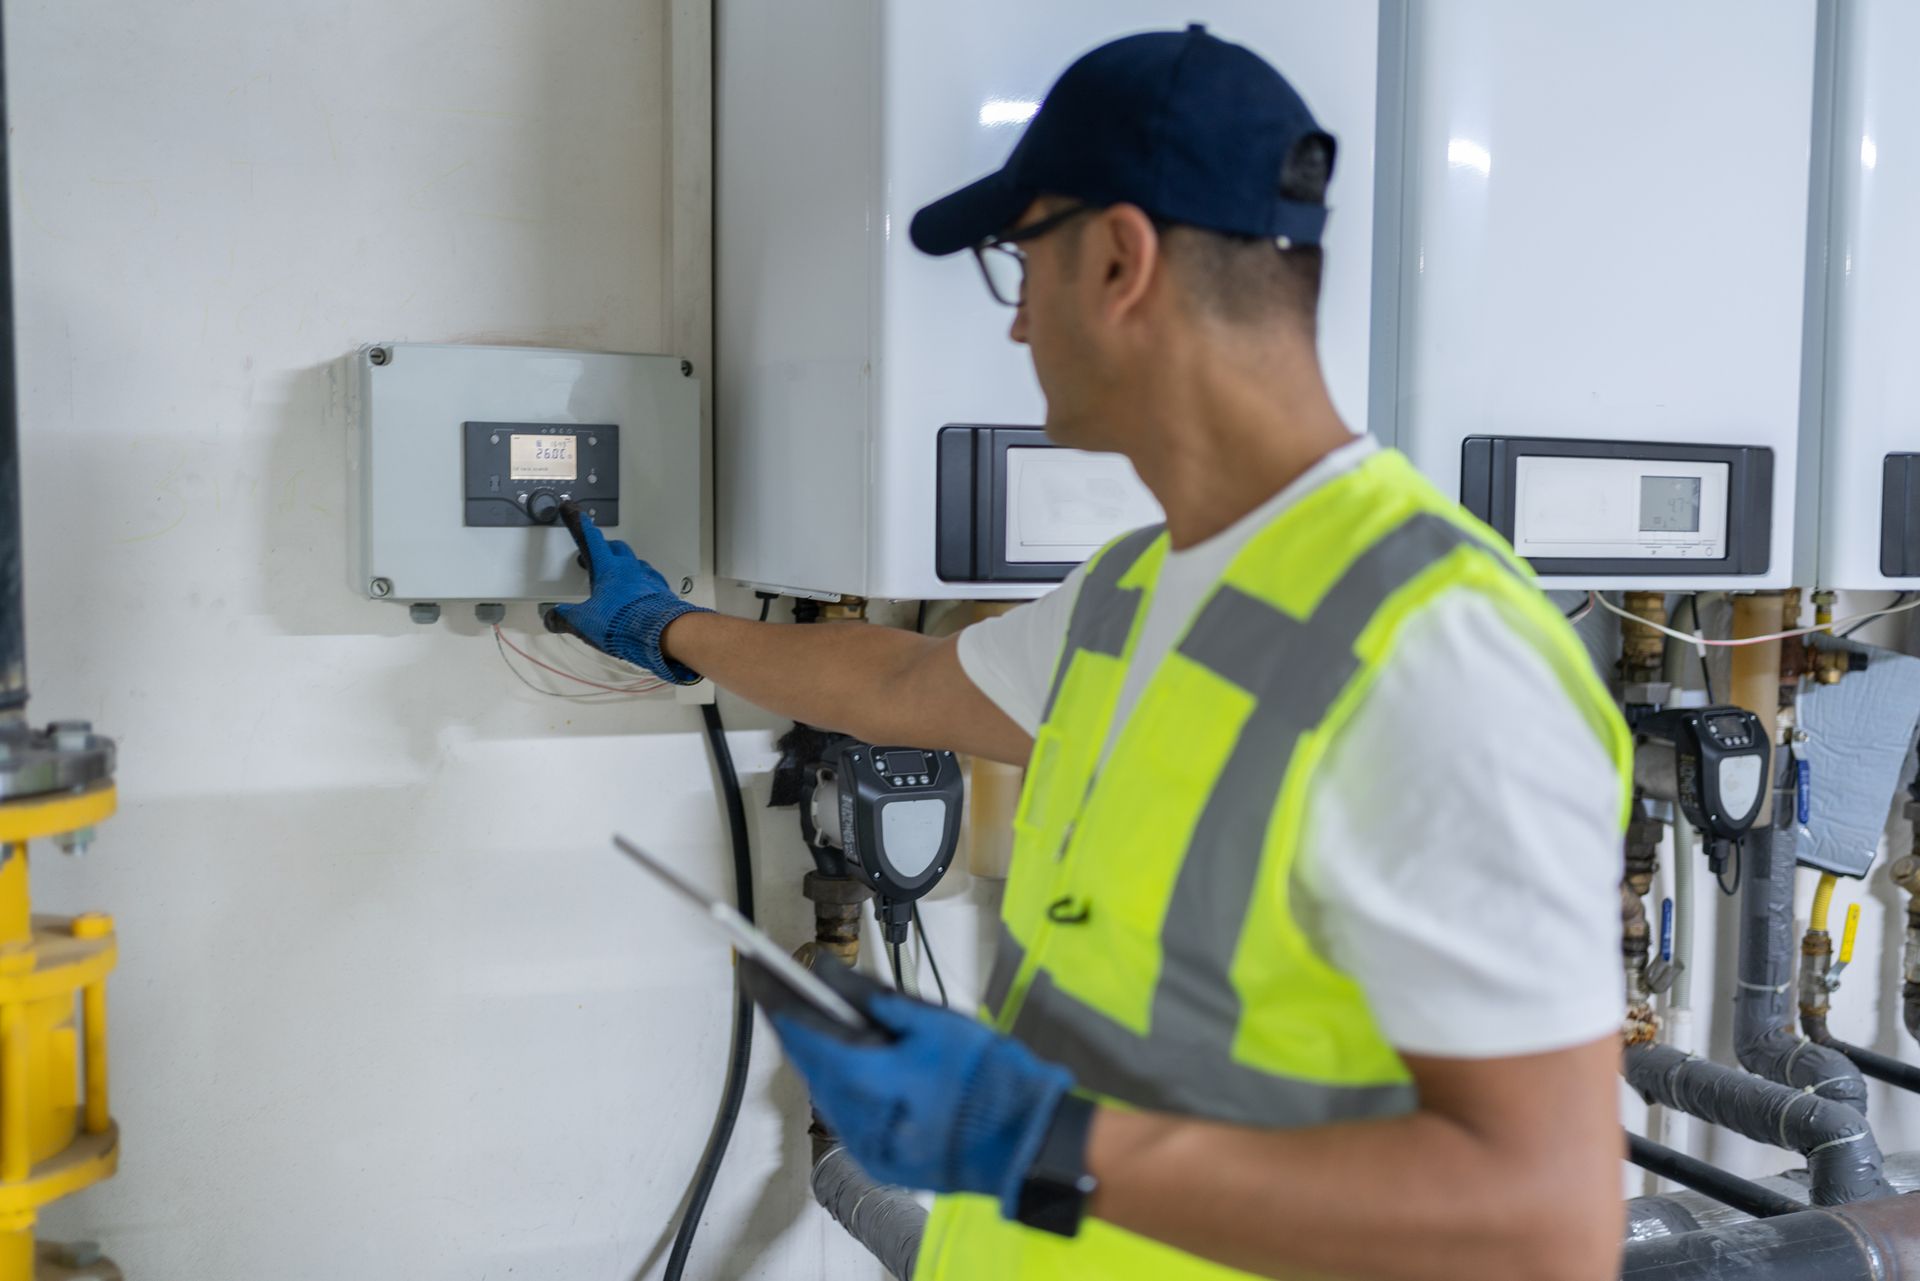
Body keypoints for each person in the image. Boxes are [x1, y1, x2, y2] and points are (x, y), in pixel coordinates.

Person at [552, 25, 1632, 1281]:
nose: (1015, 333)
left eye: (1019, 263)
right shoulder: (1137, 589)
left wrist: (1032, 1137)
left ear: (1119, 258)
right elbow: (900, 686)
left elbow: (1546, 1226)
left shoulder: (1438, 657)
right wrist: (663, 628)